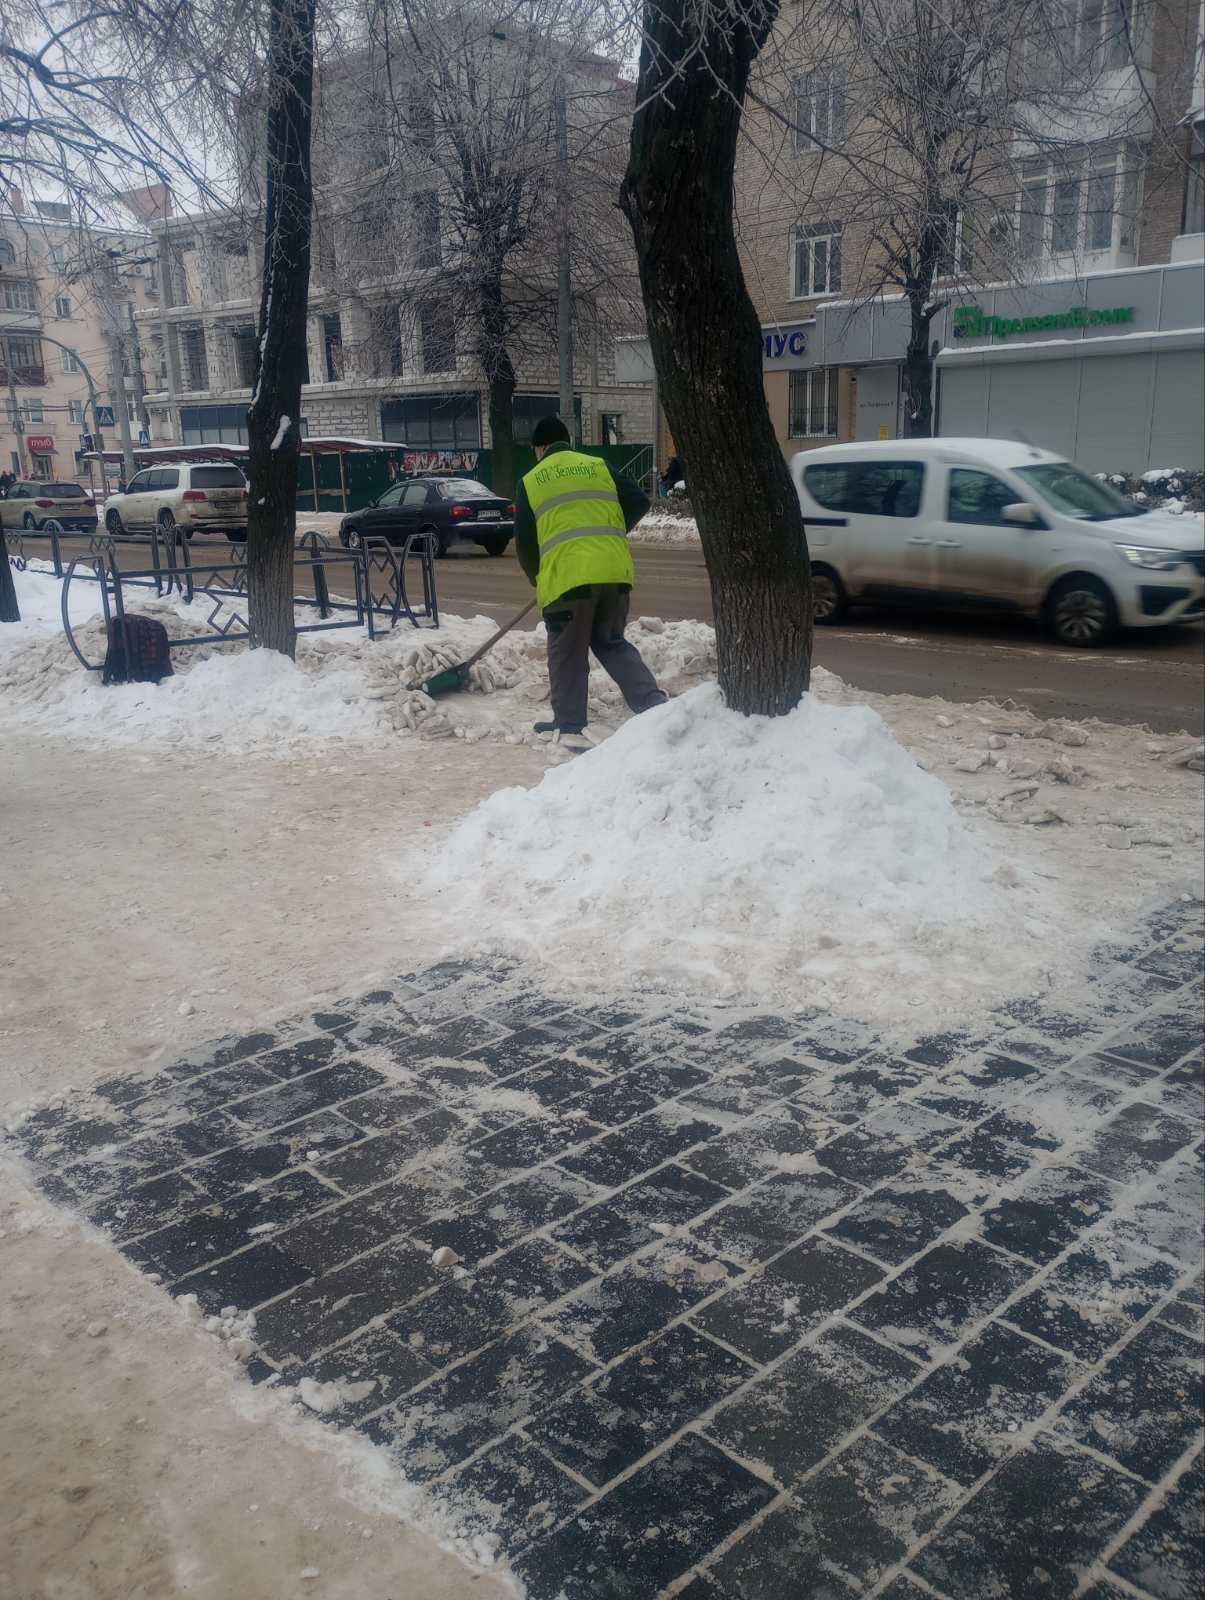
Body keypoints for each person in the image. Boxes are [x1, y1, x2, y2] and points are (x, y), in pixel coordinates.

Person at [514, 416, 667, 749]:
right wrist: (606, 534)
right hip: (614, 572)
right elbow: (640, 501)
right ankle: (652, 704)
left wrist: (536, 575)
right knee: (611, 641)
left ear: (539, 449)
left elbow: (526, 542)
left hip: (568, 581)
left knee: (566, 651)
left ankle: (570, 725)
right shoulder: (598, 466)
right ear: (567, 442)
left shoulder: (531, 480)